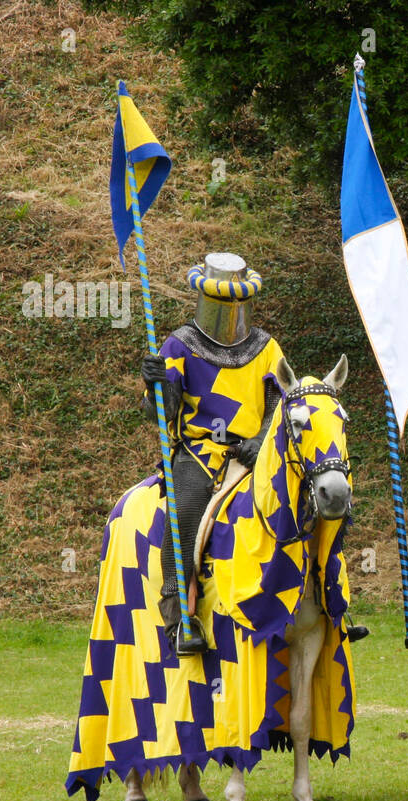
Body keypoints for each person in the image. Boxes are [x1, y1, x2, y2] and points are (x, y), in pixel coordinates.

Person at [139, 252, 284, 655]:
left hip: (256, 452)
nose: (231, 312)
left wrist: (260, 440)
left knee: (313, 495)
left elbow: (280, 400)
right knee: (185, 510)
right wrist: (155, 382)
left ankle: (329, 599)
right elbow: (161, 411)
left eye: (237, 304)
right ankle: (178, 618)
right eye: (223, 304)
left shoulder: (267, 347)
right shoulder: (179, 344)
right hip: (200, 452)